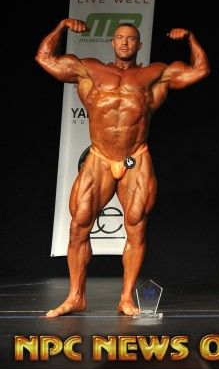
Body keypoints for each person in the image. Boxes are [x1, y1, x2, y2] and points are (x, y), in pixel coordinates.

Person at [35, 19, 209, 317]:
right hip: (100, 157)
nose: (125, 42)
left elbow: (200, 70)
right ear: (112, 43)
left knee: (136, 226)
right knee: (79, 225)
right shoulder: (89, 69)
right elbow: (44, 58)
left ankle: (126, 298)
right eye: (120, 38)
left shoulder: (154, 73)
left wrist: (191, 37)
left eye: (130, 38)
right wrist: (61, 27)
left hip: (135, 157)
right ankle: (76, 296)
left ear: (139, 44)